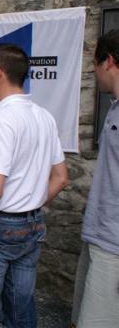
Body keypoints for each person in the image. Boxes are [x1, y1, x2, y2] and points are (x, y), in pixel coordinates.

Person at [0, 43, 69, 328]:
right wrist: (28, 205)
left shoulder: (0, 119)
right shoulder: (44, 116)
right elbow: (61, 178)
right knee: (20, 310)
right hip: (32, 224)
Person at [71, 29, 119, 327]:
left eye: (94, 63)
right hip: (100, 233)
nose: (93, 71)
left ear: (109, 61)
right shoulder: (114, 108)